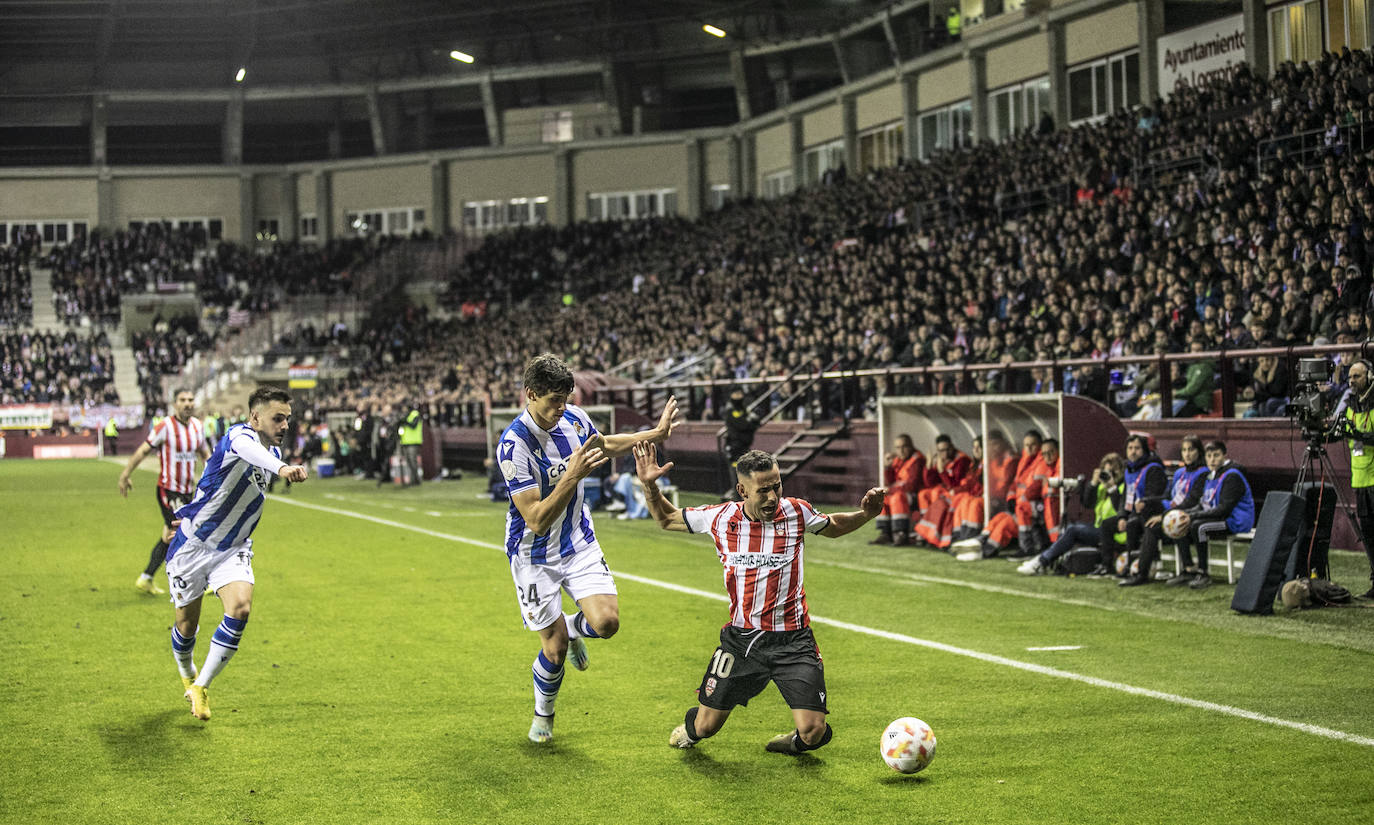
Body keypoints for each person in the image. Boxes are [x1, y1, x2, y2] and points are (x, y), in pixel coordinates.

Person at [632, 443, 884, 755]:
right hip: (742, 642)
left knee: (814, 732)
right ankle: (692, 728)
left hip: (794, 642)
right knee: (706, 727)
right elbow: (666, 518)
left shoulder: (796, 512)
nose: (772, 497)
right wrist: (649, 484)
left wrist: (866, 514)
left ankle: (793, 742)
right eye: (762, 490)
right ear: (742, 490)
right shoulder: (721, 518)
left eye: (776, 487)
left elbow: (833, 525)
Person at [497, 353, 679, 744]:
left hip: (577, 541)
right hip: (534, 556)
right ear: (531, 394)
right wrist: (573, 475)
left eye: (565, 399)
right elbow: (536, 518)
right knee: (555, 647)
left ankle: (577, 628)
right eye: (553, 402)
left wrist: (654, 435)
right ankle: (543, 714)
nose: (561, 409)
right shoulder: (514, 446)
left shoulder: (574, 417)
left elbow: (606, 444)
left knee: (607, 623)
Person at [165, 386, 309, 721]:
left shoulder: (266, 450)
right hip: (193, 548)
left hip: (233, 549)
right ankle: (187, 674)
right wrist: (282, 468)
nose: (285, 425)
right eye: (278, 418)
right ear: (255, 418)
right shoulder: (239, 437)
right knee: (186, 626)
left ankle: (201, 686)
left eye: (288, 419)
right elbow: (248, 448)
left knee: (241, 609)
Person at [1122, 440, 1253, 589]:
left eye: (1216, 455)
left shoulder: (1232, 476)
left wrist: (1190, 516)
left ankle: (1203, 573)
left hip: (1234, 520)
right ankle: (1173, 570)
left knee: (1198, 526)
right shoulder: (1212, 475)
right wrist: (1184, 515)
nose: (1212, 460)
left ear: (1225, 455)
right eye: (1209, 456)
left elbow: (1224, 509)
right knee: (1171, 524)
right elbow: (1203, 504)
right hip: (1217, 517)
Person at [118, 389, 211, 595]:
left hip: (188, 492)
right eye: (182, 400)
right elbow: (144, 450)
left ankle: (146, 577)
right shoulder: (165, 427)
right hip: (168, 490)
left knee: (168, 537)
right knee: (185, 532)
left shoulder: (198, 426)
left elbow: (205, 452)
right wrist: (126, 473)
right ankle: (195, 581)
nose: (187, 403)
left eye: (190, 399)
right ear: (174, 404)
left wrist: (215, 475)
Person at [1017, 453, 1126, 576]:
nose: (1109, 476)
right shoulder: (1102, 488)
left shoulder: (1122, 487)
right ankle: (1045, 560)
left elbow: (1121, 509)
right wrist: (1093, 484)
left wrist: (1112, 489)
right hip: (1099, 528)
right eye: (1106, 472)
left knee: (1073, 530)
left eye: (1113, 472)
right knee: (1072, 527)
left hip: (1116, 533)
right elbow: (1087, 504)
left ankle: (1042, 562)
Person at [1135, 435, 1210, 585]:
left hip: (1191, 515)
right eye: (1184, 450)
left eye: (1191, 450)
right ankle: (1143, 571)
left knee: (1173, 521)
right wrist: (1145, 502)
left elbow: (1191, 502)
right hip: (1174, 513)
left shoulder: (1203, 473)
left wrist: (1163, 516)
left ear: (1198, 452)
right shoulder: (1179, 473)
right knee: (1149, 519)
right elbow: (1167, 497)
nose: (1187, 454)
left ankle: (1188, 568)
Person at [1339, 359, 1374, 598]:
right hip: (1360, 479)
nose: (1352, 381)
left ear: (1370, 377)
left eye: (1357, 376)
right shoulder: (1349, 404)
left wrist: (1358, 433)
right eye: (1350, 377)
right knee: (1369, 536)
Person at [1114, 434, 1168, 583]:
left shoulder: (1153, 468)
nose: (1133, 452)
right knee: (1122, 523)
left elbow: (1157, 496)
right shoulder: (1129, 469)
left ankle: (1142, 570)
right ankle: (1129, 564)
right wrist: (1121, 516)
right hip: (1137, 512)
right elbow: (1126, 495)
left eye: (1137, 448)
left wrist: (1143, 503)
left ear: (1144, 450)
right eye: (1130, 448)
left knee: (1137, 521)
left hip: (1155, 511)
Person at [870, 434, 926, 546]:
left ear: (910, 446)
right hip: (901, 492)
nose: (901, 450)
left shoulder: (917, 460)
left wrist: (891, 489)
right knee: (882, 497)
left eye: (904, 446)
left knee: (897, 497)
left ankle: (901, 534)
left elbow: (912, 485)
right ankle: (885, 533)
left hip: (915, 495)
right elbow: (890, 481)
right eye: (898, 447)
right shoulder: (899, 460)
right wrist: (887, 468)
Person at [398, 402, 423, 485]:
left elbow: (413, 425)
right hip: (406, 442)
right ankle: (414, 479)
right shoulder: (405, 415)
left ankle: (415, 480)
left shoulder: (415, 414)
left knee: (413, 461)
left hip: (413, 442)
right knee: (409, 462)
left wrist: (404, 421)